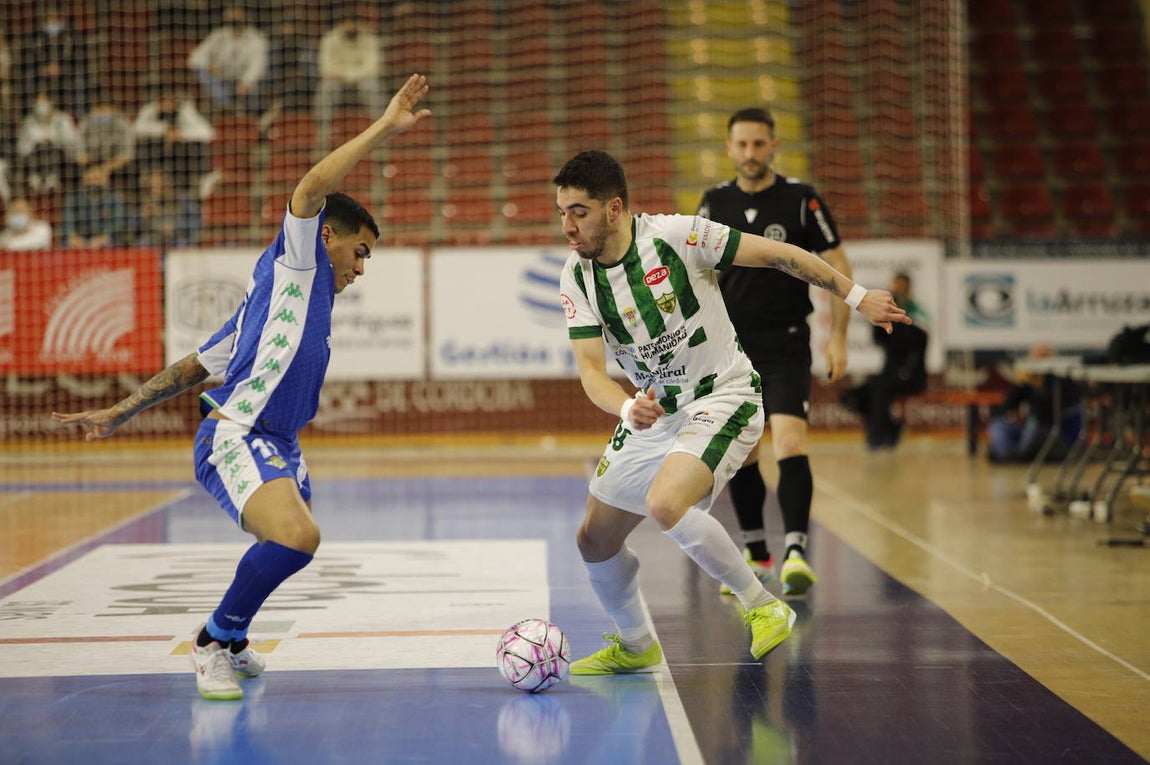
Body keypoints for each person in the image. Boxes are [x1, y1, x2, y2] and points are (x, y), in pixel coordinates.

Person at [52, 74, 432, 701]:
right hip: (238, 433)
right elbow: (311, 189)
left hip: (278, 438)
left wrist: (119, 411)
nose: (360, 270)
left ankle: (233, 638)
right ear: (327, 236)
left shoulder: (270, 295)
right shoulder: (299, 259)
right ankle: (210, 641)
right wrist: (386, 127)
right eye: (360, 253)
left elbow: (193, 367)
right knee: (297, 537)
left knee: (289, 544)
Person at [554, 150, 909, 674]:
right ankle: (635, 645)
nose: (567, 226)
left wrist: (856, 298)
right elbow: (590, 372)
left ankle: (763, 606)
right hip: (656, 409)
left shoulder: (677, 236)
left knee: (666, 503)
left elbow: (780, 254)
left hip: (723, 395)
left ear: (614, 208)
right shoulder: (577, 277)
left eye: (578, 212)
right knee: (593, 539)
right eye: (561, 212)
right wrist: (627, 405)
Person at [695, 107, 854, 597]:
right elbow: (698, 273)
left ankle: (796, 553)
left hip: (786, 342)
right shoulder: (713, 201)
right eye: (741, 145)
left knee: (789, 442)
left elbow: (837, 263)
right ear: (729, 149)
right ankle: (757, 552)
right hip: (733, 351)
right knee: (744, 454)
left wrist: (839, 336)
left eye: (758, 144)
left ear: (773, 146)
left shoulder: (801, 199)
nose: (750, 154)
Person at [839, 272, 930, 449]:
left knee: (880, 388)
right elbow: (880, 339)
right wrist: (881, 319)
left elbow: (919, 339)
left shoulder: (917, 313)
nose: (898, 290)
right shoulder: (888, 313)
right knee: (852, 396)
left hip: (911, 375)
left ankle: (877, 435)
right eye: (896, 286)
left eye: (902, 286)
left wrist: (897, 324)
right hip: (890, 373)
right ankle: (890, 427)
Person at [988, 344, 1082, 464]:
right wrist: (1017, 385)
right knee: (998, 425)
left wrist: (1039, 387)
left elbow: (1045, 414)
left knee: (1033, 428)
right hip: (1031, 427)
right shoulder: (1029, 378)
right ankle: (1008, 454)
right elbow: (1007, 408)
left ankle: (1016, 456)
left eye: (1043, 357)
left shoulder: (1062, 381)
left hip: (1057, 431)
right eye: (1036, 358)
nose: (1039, 362)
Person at [314, 9, 383, 151]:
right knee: (326, 87)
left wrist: (347, 75)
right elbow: (325, 68)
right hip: (337, 84)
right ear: (340, 25)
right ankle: (323, 135)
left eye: (353, 23)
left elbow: (373, 68)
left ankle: (381, 132)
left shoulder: (369, 39)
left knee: (372, 86)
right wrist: (347, 75)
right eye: (346, 23)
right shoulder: (329, 40)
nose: (350, 26)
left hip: (361, 82)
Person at [187, 4, 269, 116]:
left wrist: (246, 82)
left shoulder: (257, 39)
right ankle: (230, 108)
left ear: (246, 16)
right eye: (231, 15)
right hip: (221, 81)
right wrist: (208, 65)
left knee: (256, 86)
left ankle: (254, 118)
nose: (233, 18)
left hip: (244, 81)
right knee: (203, 74)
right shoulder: (218, 35)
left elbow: (257, 65)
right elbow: (194, 58)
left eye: (237, 15)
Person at [132, 88, 215, 194]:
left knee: (199, 145)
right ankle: (151, 178)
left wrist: (180, 133)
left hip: (180, 152)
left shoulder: (185, 110)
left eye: (170, 100)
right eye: (164, 100)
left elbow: (208, 132)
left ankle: (200, 179)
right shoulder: (149, 109)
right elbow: (136, 128)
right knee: (146, 144)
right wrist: (164, 130)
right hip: (157, 151)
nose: (167, 104)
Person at [16, 3, 91, 116]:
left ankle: (77, 117)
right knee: (27, 79)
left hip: (67, 73)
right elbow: (28, 58)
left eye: (55, 14)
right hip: (40, 74)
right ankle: (28, 117)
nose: (52, 17)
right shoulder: (35, 36)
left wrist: (62, 68)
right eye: (50, 14)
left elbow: (79, 57)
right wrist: (44, 69)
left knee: (79, 79)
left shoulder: (72, 35)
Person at [15, 91, 80, 194]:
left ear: (51, 102)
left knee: (51, 147)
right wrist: (35, 144)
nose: (40, 105)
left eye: (43, 101)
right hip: (35, 157)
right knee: (40, 147)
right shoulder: (29, 121)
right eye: (38, 102)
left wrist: (54, 140)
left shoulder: (63, 119)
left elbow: (72, 140)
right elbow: (21, 147)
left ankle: (52, 180)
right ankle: (35, 180)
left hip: (61, 157)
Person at [127, 168, 202, 248]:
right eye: (152, 183)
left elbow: (196, 223)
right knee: (142, 244)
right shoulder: (141, 201)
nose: (156, 186)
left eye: (159, 182)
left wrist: (175, 227)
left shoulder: (182, 199)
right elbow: (131, 227)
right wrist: (143, 216)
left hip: (178, 239)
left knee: (183, 244)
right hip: (153, 240)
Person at [59, 163, 126, 248]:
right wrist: (74, 238)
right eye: (91, 179)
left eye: (98, 179)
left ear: (106, 180)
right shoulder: (73, 198)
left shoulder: (114, 197)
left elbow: (117, 223)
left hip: (106, 240)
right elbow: (67, 222)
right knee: (67, 244)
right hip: (79, 239)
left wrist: (102, 239)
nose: (94, 183)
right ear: (84, 179)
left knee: (112, 243)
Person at [76, 94, 135, 188]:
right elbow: (80, 154)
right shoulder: (86, 122)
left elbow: (126, 155)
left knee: (130, 169)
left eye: (104, 109)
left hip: (114, 164)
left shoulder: (122, 122)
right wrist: (94, 169)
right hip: (91, 163)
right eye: (97, 109)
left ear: (112, 109)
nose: (100, 113)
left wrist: (106, 168)